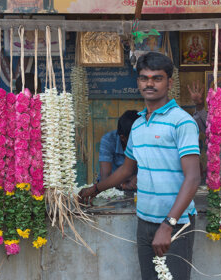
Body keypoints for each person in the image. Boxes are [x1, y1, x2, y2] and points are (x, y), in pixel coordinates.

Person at [79, 52, 201, 280]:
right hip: (144, 221)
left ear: (169, 82)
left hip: (175, 224)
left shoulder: (182, 121)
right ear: (138, 82)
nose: (150, 84)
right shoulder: (137, 125)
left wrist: (168, 224)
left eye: (157, 78)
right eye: (144, 78)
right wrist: (95, 189)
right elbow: (126, 170)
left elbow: (193, 178)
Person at [98, 110, 139, 190]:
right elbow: (105, 179)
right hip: (111, 190)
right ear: (123, 138)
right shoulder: (108, 140)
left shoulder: (146, 139)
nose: (139, 141)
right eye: (134, 139)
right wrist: (124, 185)